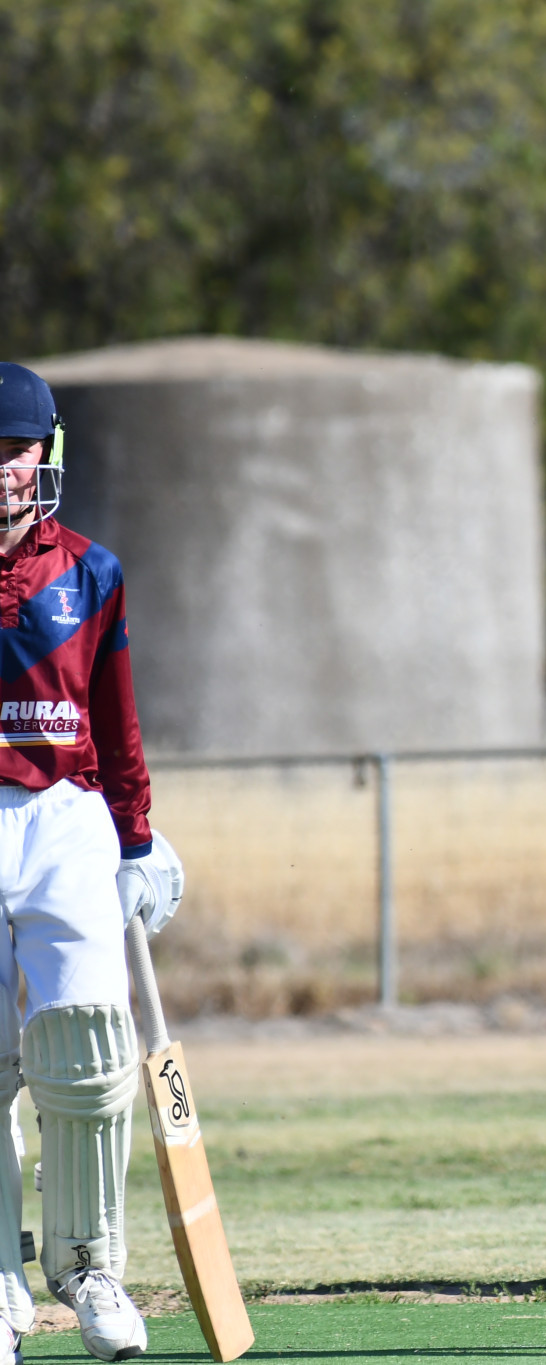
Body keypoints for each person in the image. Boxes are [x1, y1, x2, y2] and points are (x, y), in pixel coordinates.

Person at [0, 364, 184, 1363]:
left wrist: (140, 838)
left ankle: (89, 1268)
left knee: (88, 1051)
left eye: (16, 449)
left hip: (65, 816)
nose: (2, 468)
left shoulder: (92, 572)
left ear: (45, 456)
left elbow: (117, 719)